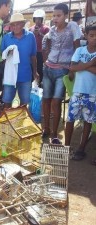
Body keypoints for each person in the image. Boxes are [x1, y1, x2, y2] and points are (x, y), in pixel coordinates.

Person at [42, 3, 81, 144]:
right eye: (53, 15)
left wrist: (72, 68)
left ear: (66, 16)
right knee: (45, 99)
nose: (55, 18)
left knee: (56, 101)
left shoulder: (73, 27)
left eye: (58, 15)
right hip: (48, 69)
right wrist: (45, 58)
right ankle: (46, 129)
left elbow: (77, 48)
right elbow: (47, 44)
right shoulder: (51, 30)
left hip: (62, 70)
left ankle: (54, 133)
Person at [65, 25, 96, 161]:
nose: (94, 39)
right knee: (70, 119)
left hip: (92, 93)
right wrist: (91, 63)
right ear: (86, 36)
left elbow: (76, 67)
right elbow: (71, 67)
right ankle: (66, 146)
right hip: (77, 92)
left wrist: (81, 66)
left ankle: (81, 148)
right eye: (91, 36)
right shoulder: (79, 50)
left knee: (88, 121)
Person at [0, 13, 38, 108]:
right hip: (10, 76)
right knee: (7, 102)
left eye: (18, 24)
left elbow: (33, 56)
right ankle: (8, 121)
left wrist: (35, 72)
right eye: (13, 25)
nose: (15, 27)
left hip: (25, 75)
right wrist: (8, 53)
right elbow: (2, 55)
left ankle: (20, 121)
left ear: (22, 24)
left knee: (24, 103)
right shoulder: (6, 38)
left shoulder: (30, 36)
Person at [29, 9, 49, 84]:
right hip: (32, 52)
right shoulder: (31, 29)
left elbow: (48, 40)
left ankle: (39, 84)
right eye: (36, 19)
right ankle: (32, 83)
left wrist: (39, 34)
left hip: (41, 52)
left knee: (40, 69)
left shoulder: (46, 28)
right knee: (32, 68)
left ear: (42, 19)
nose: (37, 20)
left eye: (39, 19)